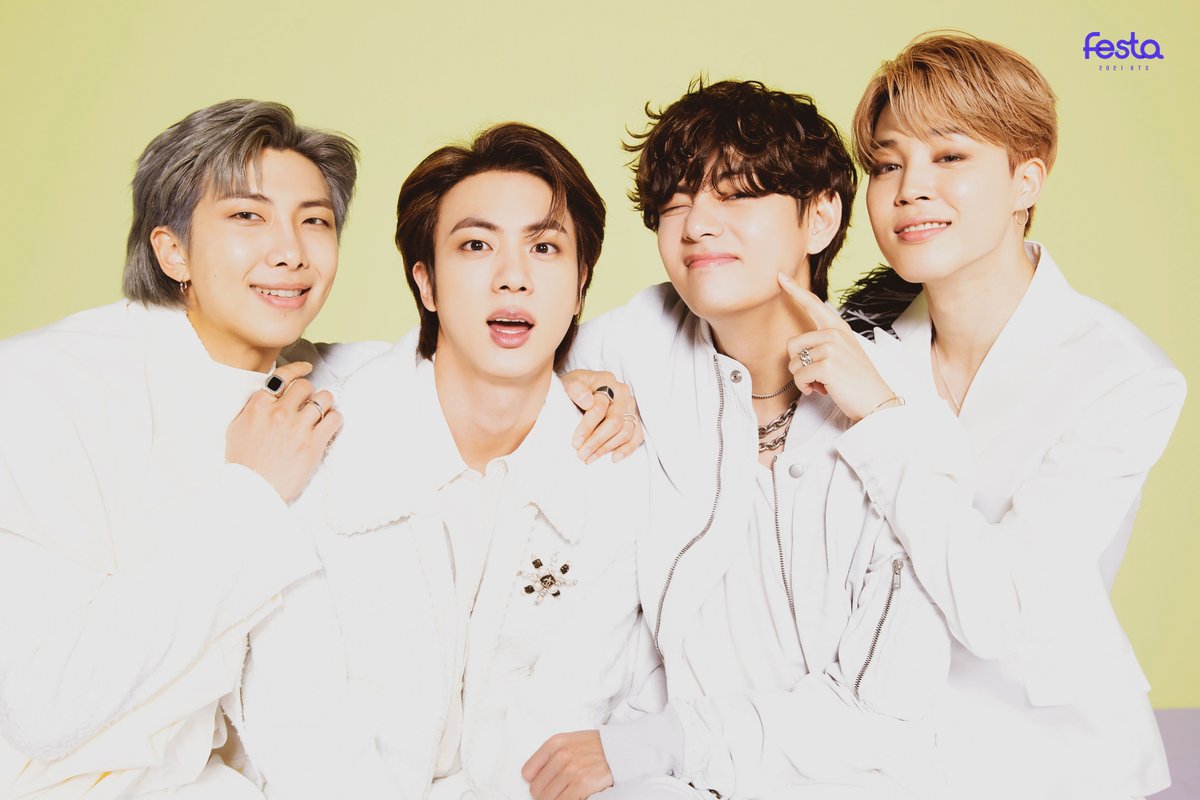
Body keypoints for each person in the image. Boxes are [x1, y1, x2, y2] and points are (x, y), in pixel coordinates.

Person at [525, 79, 954, 799]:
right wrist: (561, 390)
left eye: (736, 195)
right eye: (674, 204)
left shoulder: (904, 410)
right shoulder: (636, 343)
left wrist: (655, 745)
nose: (697, 225)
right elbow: (469, 377)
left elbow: (885, 713)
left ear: (820, 218)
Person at [235, 122, 652, 799]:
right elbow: (297, 712)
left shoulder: (613, 469)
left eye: (544, 247)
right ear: (425, 282)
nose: (512, 278)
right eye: (476, 245)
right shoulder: (317, 440)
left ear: (580, 286)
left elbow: (565, 715)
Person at [836, 32, 1185, 799]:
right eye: (887, 164)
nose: (910, 188)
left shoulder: (1124, 377)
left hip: (1055, 763)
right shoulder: (857, 346)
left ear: (1027, 178)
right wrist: (601, 389)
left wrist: (881, 419)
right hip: (871, 756)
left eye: (949, 155)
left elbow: (999, 609)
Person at [0, 99, 361, 798]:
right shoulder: (39, 388)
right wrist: (251, 495)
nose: (291, 251)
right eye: (248, 216)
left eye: (315, 221)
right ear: (173, 251)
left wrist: (575, 379)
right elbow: (44, 707)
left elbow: (468, 368)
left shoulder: (312, 382)